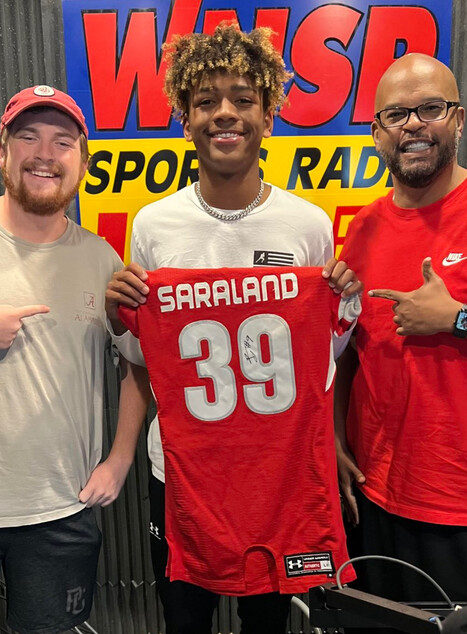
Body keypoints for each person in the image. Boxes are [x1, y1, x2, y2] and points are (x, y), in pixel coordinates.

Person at [105, 25, 361, 634]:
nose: (225, 114)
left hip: (275, 475)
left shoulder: (307, 225)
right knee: (183, 620)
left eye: (243, 99)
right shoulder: (154, 223)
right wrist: (120, 315)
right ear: (185, 119)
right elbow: (145, 352)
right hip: (182, 472)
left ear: (268, 115)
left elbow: (320, 354)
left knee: (268, 623)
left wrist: (344, 305)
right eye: (206, 101)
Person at [0, 85, 148, 633]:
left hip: (58, 509)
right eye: (28, 137)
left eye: (63, 141)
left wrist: (121, 458)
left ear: (82, 163)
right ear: (3, 151)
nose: (44, 153)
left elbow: (137, 364)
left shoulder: (102, 259)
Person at [334, 53, 467, 622]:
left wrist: (461, 318)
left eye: (431, 108)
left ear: (458, 119)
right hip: (374, 497)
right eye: (396, 115)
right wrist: (335, 441)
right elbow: (346, 357)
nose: (413, 124)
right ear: (376, 134)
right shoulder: (362, 228)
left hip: (464, 505)